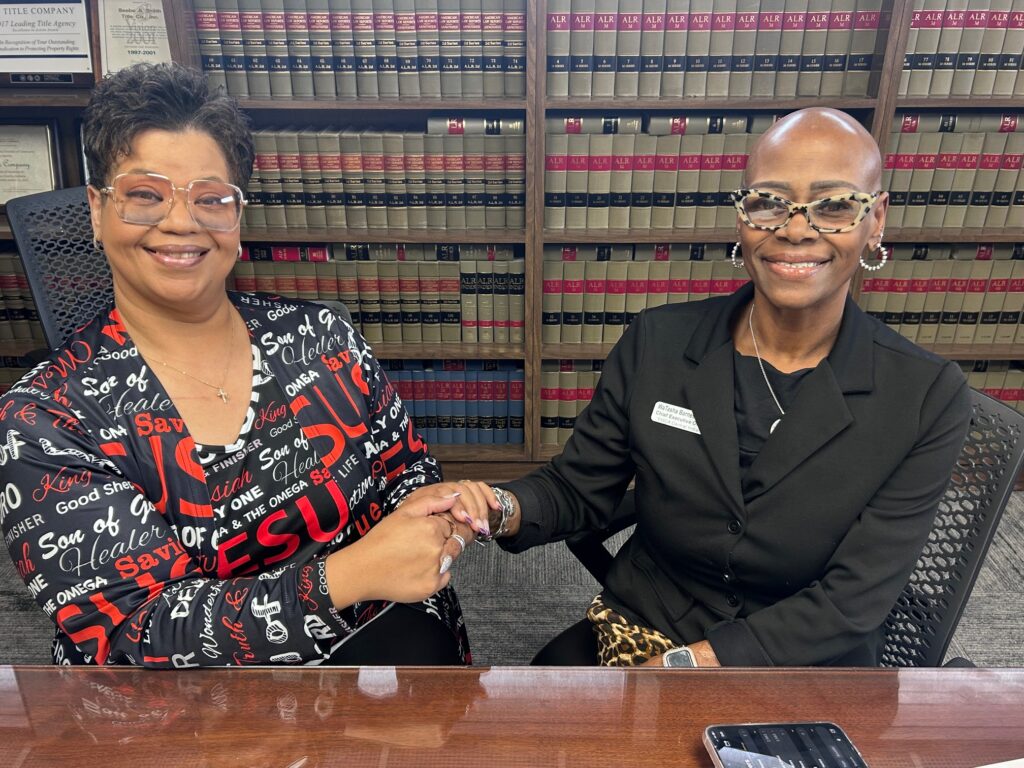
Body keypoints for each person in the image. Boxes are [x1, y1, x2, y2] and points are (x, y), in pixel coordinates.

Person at [442, 107, 972, 667]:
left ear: (877, 218)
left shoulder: (926, 396)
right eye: (769, 202)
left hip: (804, 662)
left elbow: (850, 602)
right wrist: (493, 507)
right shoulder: (658, 342)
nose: (794, 229)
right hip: (643, 623)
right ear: (741, 216)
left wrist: (689, 666)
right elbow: (579, 489)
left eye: (834, 205)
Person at [0, 63, 489, 667]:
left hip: (379, 663)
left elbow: (407, 476)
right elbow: (132, 634)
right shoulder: (42, 418)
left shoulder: (321, 338)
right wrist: (346, 577)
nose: (181, 222)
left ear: (237, 214)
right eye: (145, 195)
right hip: (188, 725)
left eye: (210, 199)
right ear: (99, 211)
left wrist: (438, 519)